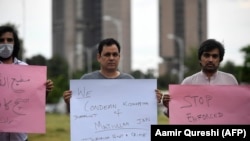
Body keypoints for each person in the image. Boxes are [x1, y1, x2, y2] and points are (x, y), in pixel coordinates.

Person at [63, 38, 162, 111]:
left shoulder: (129, 81)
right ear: (98, 57)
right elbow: (77, 113)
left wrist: (153, 100)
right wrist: (69, 102)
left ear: (119, 57)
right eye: (107, 54)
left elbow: (138, 110)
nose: (111, 58)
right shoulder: (86, 81)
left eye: (115, 54)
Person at [0, 25, 54, 141]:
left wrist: (45, 91)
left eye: (9, 40)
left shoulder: (26, 69)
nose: (5, 43)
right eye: (1, 40)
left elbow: (34, 103)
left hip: (19, 137)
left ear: (15, 43)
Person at [161, 39, 238, 117]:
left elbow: (239, 109)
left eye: (215, 56)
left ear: (220, 60)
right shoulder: (188, 83)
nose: (210, 60)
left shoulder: (230, 80)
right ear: (200, 59)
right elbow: (177, 115)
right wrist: (169, 106)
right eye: (206, 55)